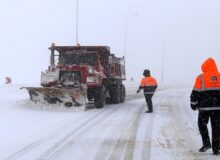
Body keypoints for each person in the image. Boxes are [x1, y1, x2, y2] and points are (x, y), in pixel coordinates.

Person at [190, 57, 220, 155]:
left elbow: (195, 93)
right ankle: (217, 149)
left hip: (204, 108)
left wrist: (193, 104)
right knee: (216, 128)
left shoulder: (201, 77)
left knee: (202, 124)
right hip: (218, 108)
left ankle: (206, 143)